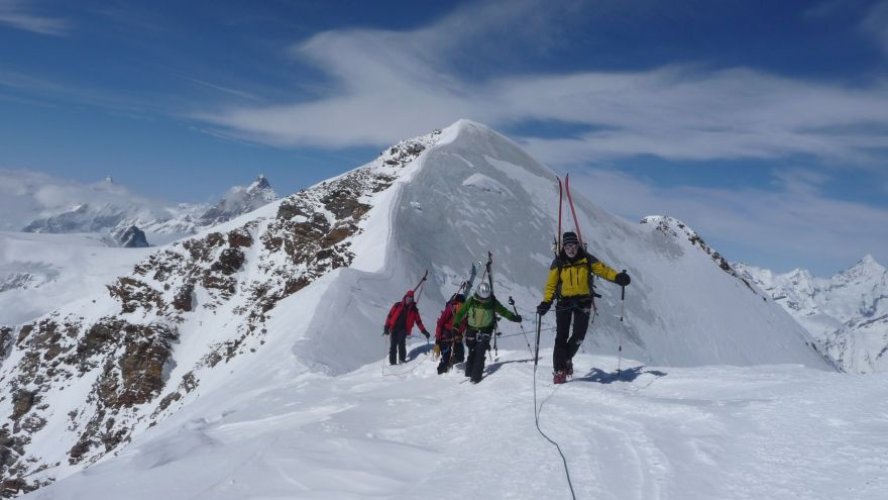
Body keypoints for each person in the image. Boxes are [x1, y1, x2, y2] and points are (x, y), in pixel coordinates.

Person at [537, 231, 631, 384]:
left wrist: (617, 277)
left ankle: (566, 359)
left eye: (573, 245)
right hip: (564, 302)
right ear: (564, 247)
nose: (571, 249)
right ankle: (560, 370)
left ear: (577, 245)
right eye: (567, 246)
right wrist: (546, 302)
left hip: (583, 301)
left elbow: (603, 269)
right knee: (561, 336)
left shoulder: (586, 259)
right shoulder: (559, 262)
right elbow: (551, 285)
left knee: (579, 335)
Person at [452, 282, 521, 383]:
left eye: (485, 299)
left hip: (486, 330)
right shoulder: (471, 301)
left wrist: (513, 318)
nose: (483, 301)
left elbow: (503, 311)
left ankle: (475, 379)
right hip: (471, 329)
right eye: (481, 299)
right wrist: (455, 326)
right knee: (472, 351)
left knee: (480, 352)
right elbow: (460, 314)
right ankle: (468, 373)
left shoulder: (492, 302)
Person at [383, 290, 430, 365]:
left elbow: (419, 322)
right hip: (394, 328)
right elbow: (390, 316)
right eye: (408, 298)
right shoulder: (397, 305)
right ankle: (393, 363)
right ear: (405, 297)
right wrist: (386, 326)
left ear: (412, 300)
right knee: (393, 346)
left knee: (401, 344)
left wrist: (424, 331)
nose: (409, 300)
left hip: (404, 330)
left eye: (410, 299)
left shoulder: (414, 310)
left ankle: (402, 360)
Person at [435, 293, 467, 374]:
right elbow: (440, 323)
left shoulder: (465, 313)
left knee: (460, 357)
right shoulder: (450, 309)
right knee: (446, 357)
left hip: (455, 335)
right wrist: (438, 341)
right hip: (446, 335)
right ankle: (441, 373)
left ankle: (450, 367)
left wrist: (460, 334)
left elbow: (465, 325)